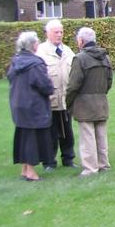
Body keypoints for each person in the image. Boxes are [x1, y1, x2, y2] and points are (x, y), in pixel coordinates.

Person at [66, 27, 113, 177]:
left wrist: (68, 102)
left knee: (88, 138)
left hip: (84, 104)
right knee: (101, 136)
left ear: (81, 41)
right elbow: (109, 81)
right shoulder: (105, 58)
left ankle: (90, 168)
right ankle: (103, 164)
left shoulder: (79, 59)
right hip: (101, 101)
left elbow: (73, 85)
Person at [8, 31, 55, 182]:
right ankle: (31, 173)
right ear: (34, 45)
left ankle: (24, 169)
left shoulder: (15, 61)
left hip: (18, 103)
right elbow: (45, 85)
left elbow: (10, 78)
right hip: (33, 106)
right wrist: (50, 89)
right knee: (32, 139)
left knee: (23, 135)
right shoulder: (35, 64)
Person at [36, 19, 75, 171]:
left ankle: (68, 159)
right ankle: (49, 162)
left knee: (67, 132)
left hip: (66, 100)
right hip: (49, 100)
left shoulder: (67, 50)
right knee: (49, 133)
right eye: (56, 32)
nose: (59, 35)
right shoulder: (41, 51)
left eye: (61, 32)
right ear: (47, 33)